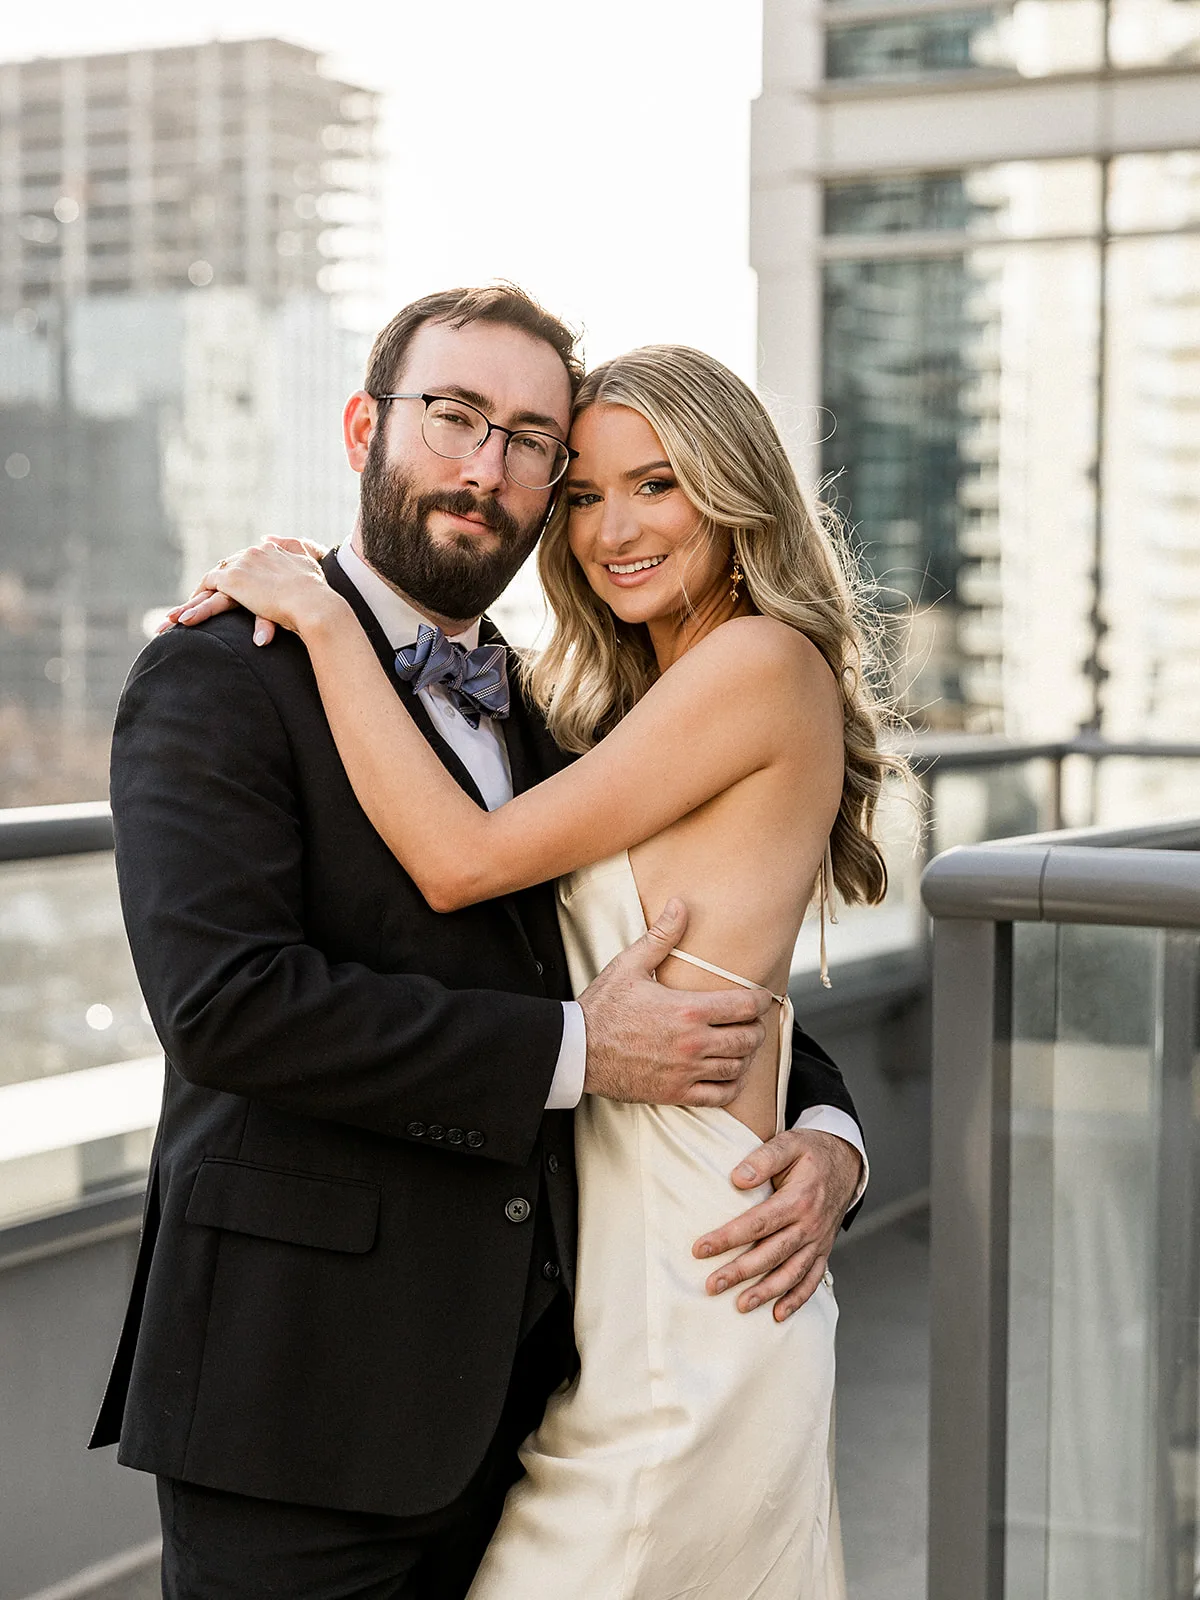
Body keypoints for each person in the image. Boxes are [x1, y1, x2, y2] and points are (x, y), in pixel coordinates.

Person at [93, 286, 867, 1600]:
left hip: (533, 1383)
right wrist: (581, 1051)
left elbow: (685, 965)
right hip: (304, 1404)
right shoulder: (224, 671)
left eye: (527, 439)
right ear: (362, 427)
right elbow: (229, 1007)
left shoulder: (554, 714)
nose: (485, 466)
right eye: (453, 416)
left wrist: (833, 1139)